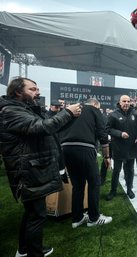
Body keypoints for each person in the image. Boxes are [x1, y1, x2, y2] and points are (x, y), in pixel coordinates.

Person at [0, 77, 81, 257]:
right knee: (37, 215)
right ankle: (34, 253)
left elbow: (48, 129)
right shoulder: (10, 111)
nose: (38, 92)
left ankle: (23, 250)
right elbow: (41, 127)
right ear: (18, 92)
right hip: (27, 171)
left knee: (32, 213)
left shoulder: (24, 108)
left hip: (32, 168)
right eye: (33, 89)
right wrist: (67, 112)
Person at [60, 98, 112, 228]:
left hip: (65, 148)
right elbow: (102, 132)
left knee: (77, 185)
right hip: (84, 148)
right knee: (94, 182)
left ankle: (77, 218)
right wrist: (106, 156)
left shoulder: (71, 109)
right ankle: (94, 218)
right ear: (95, 104)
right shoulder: (94, 110)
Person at [106, 95, 137, 201]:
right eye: (124, 101)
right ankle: (113, 191)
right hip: (118, 148)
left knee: (130, 171)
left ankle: (129, 189)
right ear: (120, 102)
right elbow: (108, 129)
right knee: (116, 171)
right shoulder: (113, 115)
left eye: (128, 101)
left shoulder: (135, 113)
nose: (126, 103)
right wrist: (120, 133)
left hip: (132, 148)